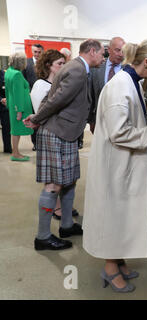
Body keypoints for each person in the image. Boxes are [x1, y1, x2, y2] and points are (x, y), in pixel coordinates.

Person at [82, 38, 147, 293]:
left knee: (121, 213)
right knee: (114, 214)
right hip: (114, 166)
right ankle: (110, 269)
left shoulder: (131, 81)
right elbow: (118, 132)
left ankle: (119, 260)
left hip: (122, 163)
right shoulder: (120, 87)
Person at [23, 39, 105, 251]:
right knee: (53, 186)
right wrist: (38, 118)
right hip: (57, 132)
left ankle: (66, 225)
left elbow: (55, 97)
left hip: (66, 133)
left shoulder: (78, 68)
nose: (103, 59)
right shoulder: (77, 69)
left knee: (69, 182)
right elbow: (56, 100)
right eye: (102, 54)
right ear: (93, 51)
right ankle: (42, 237)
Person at [30, 49, 79, 221]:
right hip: (51, 134)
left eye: (64, 63)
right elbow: (41, 113)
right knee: (53, 181)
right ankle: (55, 210)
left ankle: (63, 216)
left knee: (64, 179)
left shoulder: (57, 85)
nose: (63, 66)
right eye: (60, 63)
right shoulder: (41, 86)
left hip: (63, 134)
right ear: (49, 66)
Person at [87, 37, 126, 134]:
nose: (121, 54)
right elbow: (91, 95)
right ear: (108, 50)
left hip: (122, 121)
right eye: (117, 50)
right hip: (100, 119)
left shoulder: (128, 69)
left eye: (123, 51)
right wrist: (91, 120)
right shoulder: (96, 68)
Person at [4, 52, 34, 161]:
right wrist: (19, 110)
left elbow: (7, 90)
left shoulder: (9, 72)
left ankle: (15, 152)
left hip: (13, 104)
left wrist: (8, 102)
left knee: (15, 130)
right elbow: (18, 94)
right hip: (19, 106)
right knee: (16, 131)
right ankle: (15, 154)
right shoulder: (17, 74)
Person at [23, 43, 44, 151]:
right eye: (35, 52)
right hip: (31, 97)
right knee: (34, 119)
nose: (37, 54)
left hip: (44, 97)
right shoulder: (27, 63)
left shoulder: (46, 63)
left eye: (39, 52)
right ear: (32, 51)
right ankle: (35, 143)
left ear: (42, 52)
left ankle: (43, 142)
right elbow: (23, 78)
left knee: (44, 119)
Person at [0, 69, 12, 153]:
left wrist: (7, 98)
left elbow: (8, 88)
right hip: (1, 101)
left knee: (7, 127)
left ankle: (7, 148)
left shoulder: (4, 73)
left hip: (4, 105)